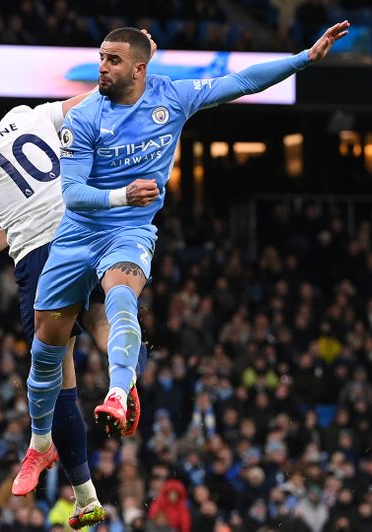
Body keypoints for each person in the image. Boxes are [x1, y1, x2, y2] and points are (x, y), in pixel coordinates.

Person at [35, 22, 350, 436]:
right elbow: (73, 193)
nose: (102, 68)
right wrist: (122, 195)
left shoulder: (172, 96)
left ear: (139, 69)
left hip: (129, 231)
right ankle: (40, 444)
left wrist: (304, 59)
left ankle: (117, 389)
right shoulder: (85, 117)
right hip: (78, 233)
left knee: (122, 297)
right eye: (101, 59)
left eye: (113, 60)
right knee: (44, 346)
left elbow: (240, 81)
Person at [0, 32, 156, 529]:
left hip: (40, 253)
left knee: (57, 376)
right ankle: (124, 382)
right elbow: (92, 98)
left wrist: (11, 233)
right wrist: (140, 62)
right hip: (87, 228)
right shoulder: (26, 116)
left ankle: (85, 496)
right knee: (103, 317)